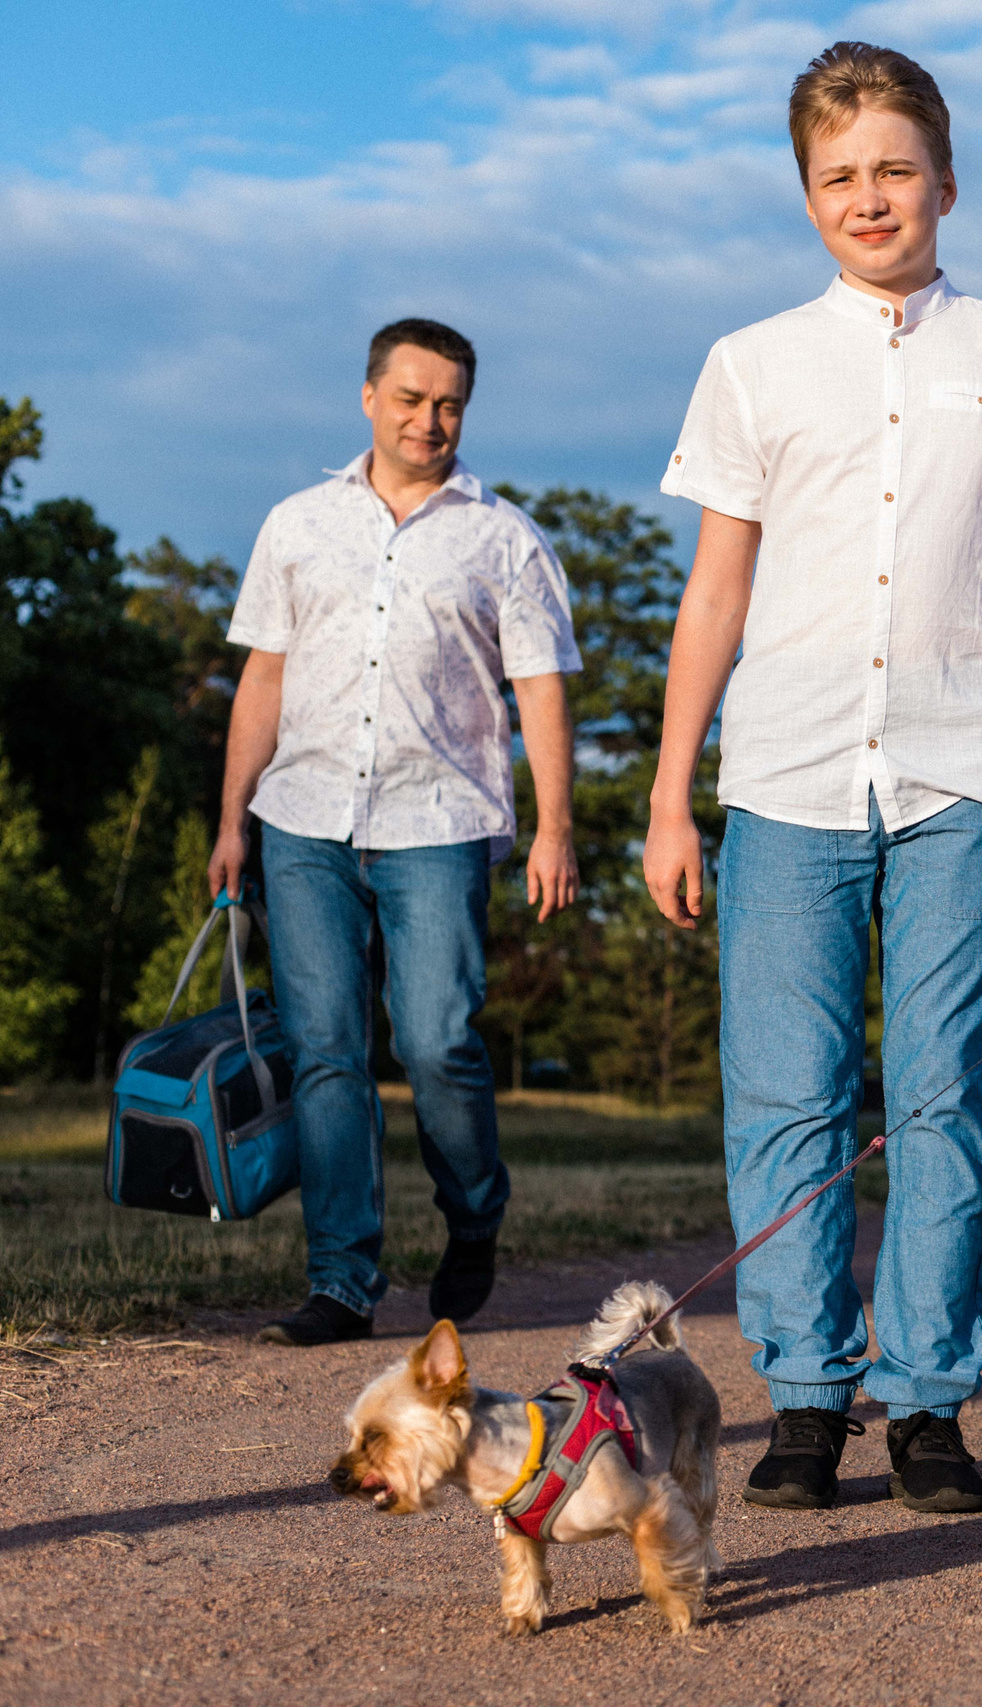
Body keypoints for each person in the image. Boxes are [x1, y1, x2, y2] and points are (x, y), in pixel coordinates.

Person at [643, 42, 982, 1517]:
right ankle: (805, 1395)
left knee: (940, 1097)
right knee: (786, 1096)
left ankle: (926, 1399)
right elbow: (715, 591)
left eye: (893, 167)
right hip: (789, 775)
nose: (868, 197)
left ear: (945, 176)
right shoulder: (750, 363)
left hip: (962, 772)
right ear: (807, 195)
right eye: (837, 176)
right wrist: (672, 792)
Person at [211, 317, 581, 1349]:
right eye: (412, 398)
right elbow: (264, 677)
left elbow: (542, 689)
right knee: (326, 1053)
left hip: (439, 823)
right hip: (304, 820)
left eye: (450, 402)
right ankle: (342, 1281)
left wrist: (556, 826)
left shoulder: (504, 538)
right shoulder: (296, 524)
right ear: (369, 398)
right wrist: (232, 818)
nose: (430, 420)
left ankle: (474, 1215)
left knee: (436, 1041)